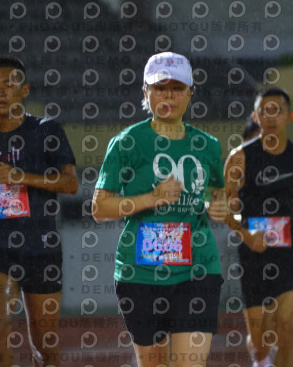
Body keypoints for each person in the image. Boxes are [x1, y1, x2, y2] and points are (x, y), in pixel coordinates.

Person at [92, 51, 227, 367]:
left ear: (190, 93)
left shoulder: (207, 145)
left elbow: (217, 193)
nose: (168, 96)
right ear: (145, 92)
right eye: (160, 88)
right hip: (140, 273)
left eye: (177, 88)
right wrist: (152, 197)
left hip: (198, 269)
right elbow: (100, 207)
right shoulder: (127, 142)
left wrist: (217, 206)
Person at [0, 55, 78, 367]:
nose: (0, 91)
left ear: (25, 90)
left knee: (44, 346)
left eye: (9, 85)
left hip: (42, 246)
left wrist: (24, 177)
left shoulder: (47, 130)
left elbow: (71, 183)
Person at [224, 88, 293, 367]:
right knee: (260, 342)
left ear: (289, 116)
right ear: (256, 117)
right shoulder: (239, 159)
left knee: (286, 324)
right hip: (254, 253)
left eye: (277, 111)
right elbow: (223, 207)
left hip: (290, 251)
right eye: (264, 112)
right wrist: (245, 234)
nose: (270, 118)